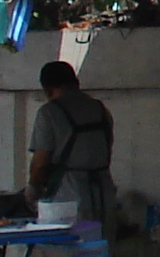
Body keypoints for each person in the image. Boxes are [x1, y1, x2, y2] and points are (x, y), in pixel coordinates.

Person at [26, 60, 114, 225]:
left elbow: (40, 163)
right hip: (104, 195)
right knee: (101, 247)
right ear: (76, 83)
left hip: (67, 199)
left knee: (68, 248)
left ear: (48, 89)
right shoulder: (101, 109)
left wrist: (33, 189)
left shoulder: (49, 113)